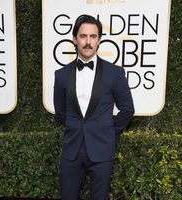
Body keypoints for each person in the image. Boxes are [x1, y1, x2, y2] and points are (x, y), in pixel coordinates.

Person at [53, 14, 134, 200]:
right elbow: (60, 111)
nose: (88, 42)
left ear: (98, 40)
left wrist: (109, 132)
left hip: (102, 150)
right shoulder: (61, 75)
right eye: (83, 36)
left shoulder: (114, 73)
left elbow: (127, 109)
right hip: (72, 150)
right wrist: (75, 127)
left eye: (93, 36)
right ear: (75, 39)